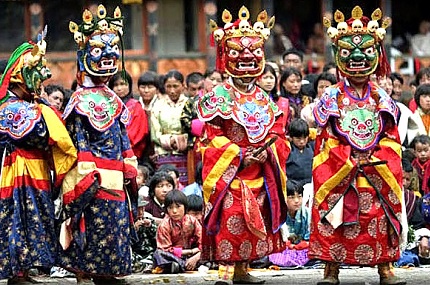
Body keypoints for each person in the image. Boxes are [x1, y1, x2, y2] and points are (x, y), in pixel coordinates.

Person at [311, 6, 406, 285]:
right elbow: (325, 140)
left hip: (376, 169)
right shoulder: (330, 98)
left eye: (365, 51)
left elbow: (391, 138)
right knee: (333, 213)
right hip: (342, 170)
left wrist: (376, 158)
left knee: (381, 212)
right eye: (348, 52)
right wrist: (347, 159)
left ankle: (385, 268)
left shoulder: (382, 99)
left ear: (377, 54)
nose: (356, 58)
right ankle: (331, 270)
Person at [197, 6, 289, 284]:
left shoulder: (264, 98)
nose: (247, 59)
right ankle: (225, 274)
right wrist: (239, 154)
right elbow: (210, 135)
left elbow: (277, 132)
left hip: (259, 170)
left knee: (253, 223)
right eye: (238, 53)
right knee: (229, 220)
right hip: (230, 172)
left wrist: (267, 150)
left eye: (254, 54)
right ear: (226, 56)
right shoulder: (219, 95)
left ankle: (242, 270)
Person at [58, 5, 138, 284]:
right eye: (98, 50)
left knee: (116, 222)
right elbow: (78, 135)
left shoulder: (113, 98)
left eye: (113, 48)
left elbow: (121, 132)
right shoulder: (79, 100)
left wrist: (129, 157)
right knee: (91, 222)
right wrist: (85, 165)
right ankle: (84, 271)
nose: (109, 56)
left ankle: (109, 271)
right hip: (92, 171)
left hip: (116, 169)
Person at [0, 30, 77, 283]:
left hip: (36, 171)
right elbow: (38, 134)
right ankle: (17, 271)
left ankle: (25, 269)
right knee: (18, 217)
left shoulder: (32, 106)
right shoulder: (11, 107)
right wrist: (44, 111)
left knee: (35, 217)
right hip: (18, 170)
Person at [151, 69, 189, 186]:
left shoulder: (189, 104)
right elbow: (155, 133)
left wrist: (179, 141)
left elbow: (193, 130)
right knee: (164, 186)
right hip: (163, 153)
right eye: (168, 86)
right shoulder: (158, 105)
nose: (172, 90)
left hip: (185, 154)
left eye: (176, 86)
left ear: (183, 86)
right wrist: (169, 141)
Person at [153, 189, 202, 273]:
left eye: (178, 206)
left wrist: (196, 256)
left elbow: (203, 241)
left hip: (193, 254)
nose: (174, 211)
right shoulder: (164, 225)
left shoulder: (192, 221)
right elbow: (165, 249)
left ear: (185, 207)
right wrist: (189, 252)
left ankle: (182, 266)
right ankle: (183, 265)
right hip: (175, 256)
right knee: (158, 254)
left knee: (209, 253)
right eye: (170, 208)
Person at [109, 71, 150, 163]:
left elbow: (137, 134)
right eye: (115, 85)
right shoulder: (107, 107)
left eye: (123, 84)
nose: (119, 88)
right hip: (110, 155)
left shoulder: (135, 106)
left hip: (131, 155)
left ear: (129, 86)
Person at [269, 182, 310, 267]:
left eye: (299, 196)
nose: (296, 201)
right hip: (283, 247)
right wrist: (288, 244)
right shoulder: (278, 214)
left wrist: (302, 244)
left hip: (301, 248)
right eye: (291, 197)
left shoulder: (307, 213)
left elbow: (309, 236)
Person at [286, 118, 314, 190]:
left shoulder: (312, 147)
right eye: (298, 138)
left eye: (304, 138)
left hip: (311, 187)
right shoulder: (287, 149)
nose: (302, 141)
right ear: (291, 137)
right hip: (293, 189)